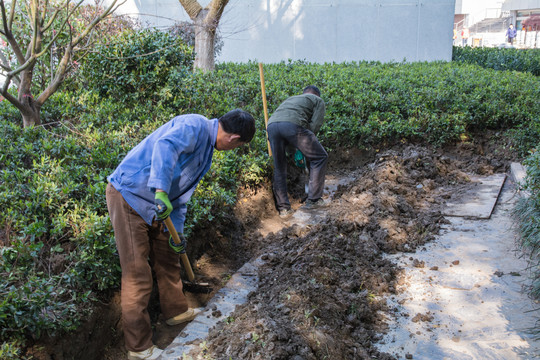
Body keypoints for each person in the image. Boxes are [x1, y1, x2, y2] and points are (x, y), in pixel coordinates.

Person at [106, 109, 256, 360]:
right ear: (234, 139)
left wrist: (178, 233)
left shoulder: (208, 150)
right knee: (137, 275)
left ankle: (175, 311)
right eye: (239, 146)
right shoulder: (195, 126)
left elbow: (182, 196)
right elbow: (165, 146)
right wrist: (161, 190)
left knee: (168, 255)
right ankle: (139, 348)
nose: (234, 149)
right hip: (130, 197)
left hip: (157, 205)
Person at [266, 85, 328, 217]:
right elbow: (314, 126)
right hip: (292, 125)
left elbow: (284, 126)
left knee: (279, 167)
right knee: (320, 157)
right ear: (316, 94)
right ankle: (314, 200)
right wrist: (305, 146)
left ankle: (284, 209)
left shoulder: (293, 99)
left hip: (271, 126)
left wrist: (295, 151)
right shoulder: (318, 101)